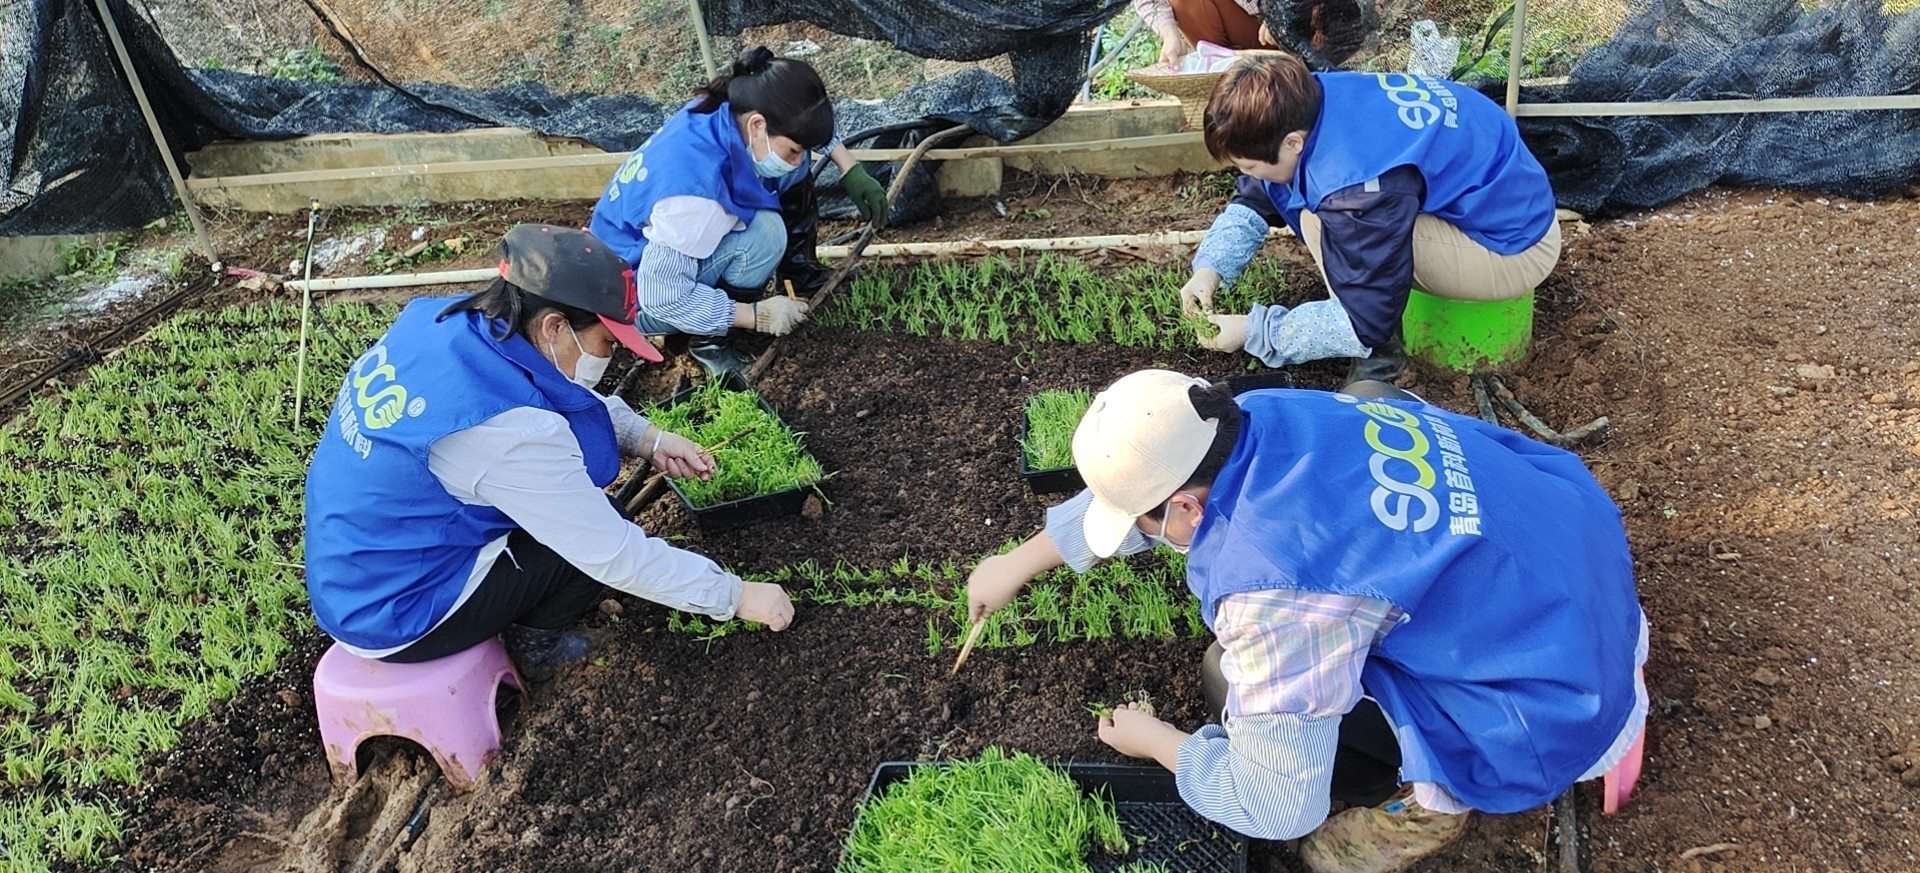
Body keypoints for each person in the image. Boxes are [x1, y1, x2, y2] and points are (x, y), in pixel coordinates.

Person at [965, 370, 1647, 873]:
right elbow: (1162, 495)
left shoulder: (1275, 588)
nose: (1144, 534)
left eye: (1144, 520)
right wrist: (1018, 562)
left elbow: (1274, 806)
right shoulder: (1256, 413)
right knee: (1372, 397)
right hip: (1573, 562)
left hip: (1554, 704)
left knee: (1229, 686)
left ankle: (1421, 807)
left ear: (1184, 511)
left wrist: (1162, 744)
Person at [304, 224, 795, 680]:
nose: (612, 356)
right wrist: (737, 597)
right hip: (395, 611)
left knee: (574, 515)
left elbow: (553, 390)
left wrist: (649, 439)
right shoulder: (507, 434)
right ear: (555, 327)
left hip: (358, 564)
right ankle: (537, 647)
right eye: (607, 341)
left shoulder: (454, 323)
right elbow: (613, 554)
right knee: (597, 521)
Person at [1180, 53, 1562, 383]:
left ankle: (1380, 361)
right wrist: (1210, 268)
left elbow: (1366, 316)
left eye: (1249, 165)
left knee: (1322, 219)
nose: (1248, 175)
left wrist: (1254, 331)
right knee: (1315, 202)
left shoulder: (1355, 187)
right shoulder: (1309, 95)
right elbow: (1259, 192)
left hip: (1513, 249)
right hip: (1507, 207)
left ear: (1293, 142)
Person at [588, 46, 890, 375]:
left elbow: (798, 126)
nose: (795, 159)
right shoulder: (697, 198)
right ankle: (706, 341)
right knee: (765, 235)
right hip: (628, 299)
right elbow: (663, 296)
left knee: (787, 172)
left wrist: (848, 166)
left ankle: (801, 275)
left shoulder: (732, 106)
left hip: (635, 257)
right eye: (792, 149)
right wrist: (752, 315)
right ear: (758, 125)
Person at [1134, 0, 1283, 68]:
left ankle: (1277, 68)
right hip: (1217, 38)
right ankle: (1219, 71)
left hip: (1268, 30)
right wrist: (1169, 35)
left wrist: (1280, 14)